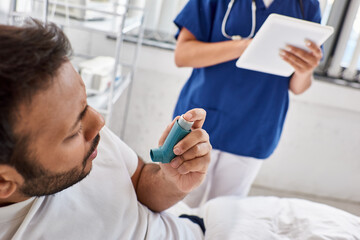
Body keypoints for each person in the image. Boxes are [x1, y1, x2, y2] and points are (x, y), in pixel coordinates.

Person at [0, 19, 212, 239]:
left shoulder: (87, 138)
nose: (98, 122)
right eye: (73, 131)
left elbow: (139, 183)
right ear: (3, 181)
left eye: (85, 103)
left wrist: (171, 180)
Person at [172, 0, 323, 207]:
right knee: (179, 208)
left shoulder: (306, 5)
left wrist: (305, 69)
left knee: (224, 214)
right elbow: (182, 55)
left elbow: (298, 86)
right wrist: (247, 46)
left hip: (254, 127)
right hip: (201, 119)